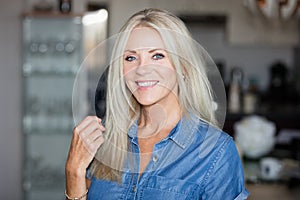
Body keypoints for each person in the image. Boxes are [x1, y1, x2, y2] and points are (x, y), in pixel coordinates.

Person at [65, 8, 249, 200]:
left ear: (183, 67)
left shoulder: (217, 153)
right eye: (131, 58)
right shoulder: (102, 140)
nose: (142, 69)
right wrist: (73, 172)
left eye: (157, 55)